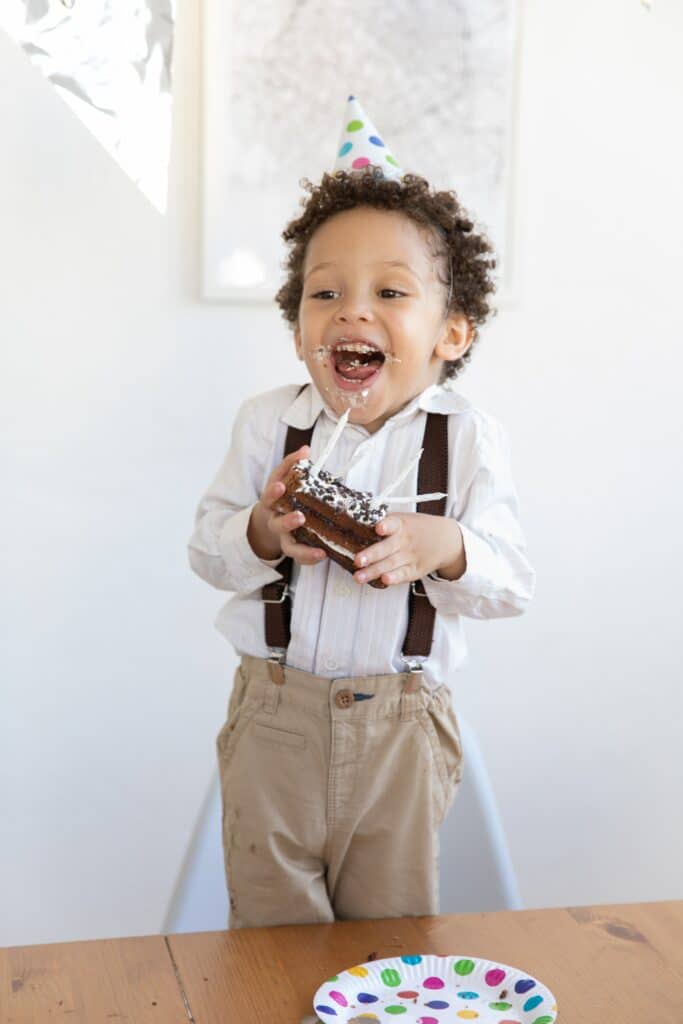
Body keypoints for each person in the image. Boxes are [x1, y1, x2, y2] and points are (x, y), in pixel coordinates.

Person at [188, 97, 535, 928]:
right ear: (297, 321)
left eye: (389, 291)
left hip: (402, 733)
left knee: (390, 939)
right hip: (274, 717)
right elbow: (206, 553)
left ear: (451, 333)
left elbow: (511, 583)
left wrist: (444, 545)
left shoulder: (468, 440)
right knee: (270, 938)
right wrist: (264, 533)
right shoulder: (270, 424)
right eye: (324, 292)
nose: (351, 311)